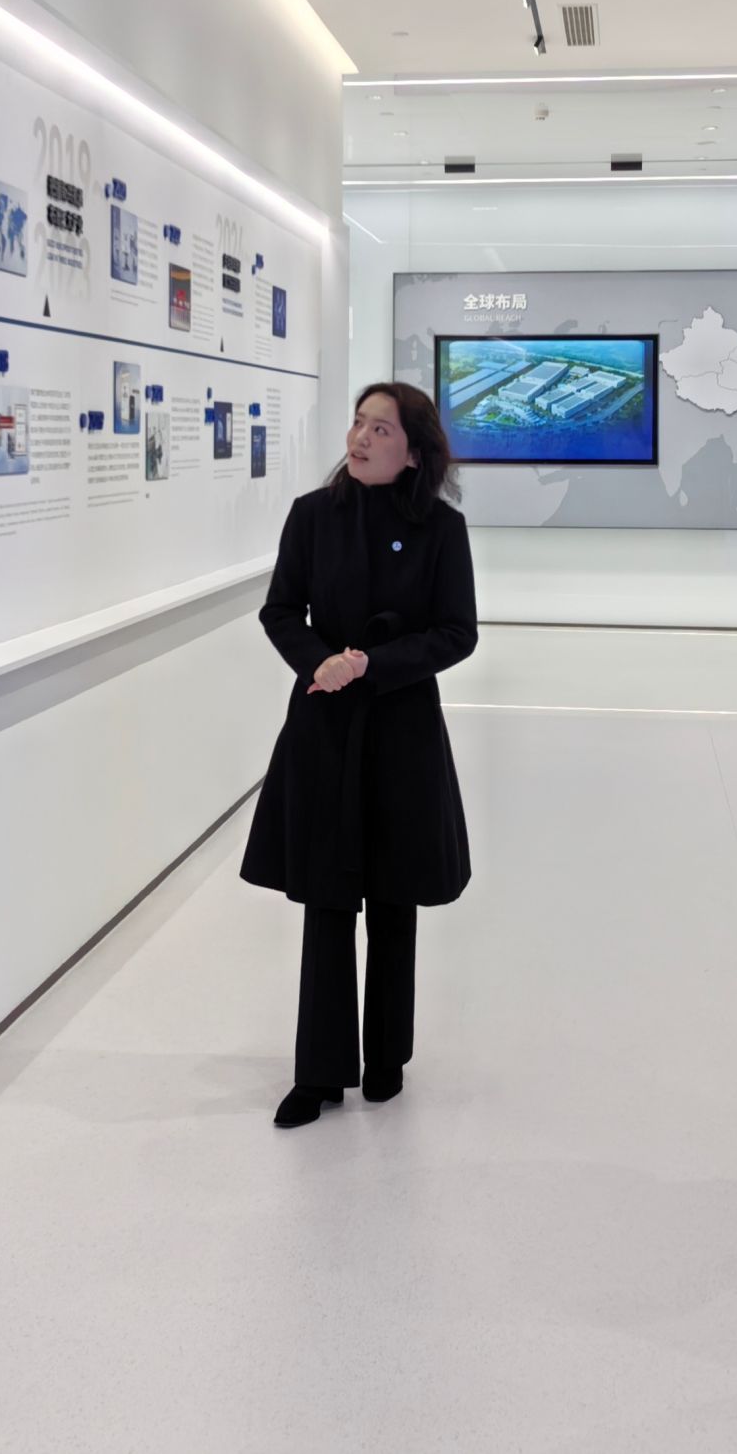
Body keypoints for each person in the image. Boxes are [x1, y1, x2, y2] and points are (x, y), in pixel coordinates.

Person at [240, 382, 478, 1128]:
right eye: (358, 423)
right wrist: (321, 661)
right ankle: (318, 1073)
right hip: (325, 726)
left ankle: (385, 1061)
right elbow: (281, 609)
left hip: (402, 730)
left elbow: (456, 632)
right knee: (327, 898)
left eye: (381, 429)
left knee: (394, 898)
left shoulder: (442, 529)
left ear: (414, 454)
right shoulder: (313, 515)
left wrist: (372, 665)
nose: (361, 438)